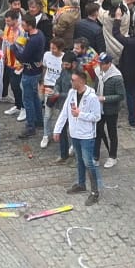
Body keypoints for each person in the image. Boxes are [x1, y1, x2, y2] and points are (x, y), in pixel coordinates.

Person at [53, 69, 105, 204]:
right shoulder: (72, 93)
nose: (71, 82)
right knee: (79, 160)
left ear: (81, 81)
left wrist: (80, 114)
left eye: (73, 80)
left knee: (89, 162)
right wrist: (57, 130)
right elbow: (65, 112)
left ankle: (95, 191)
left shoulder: (92, 97)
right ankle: (81, 184)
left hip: (87, 135)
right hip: (74, 133)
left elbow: (97, 116)